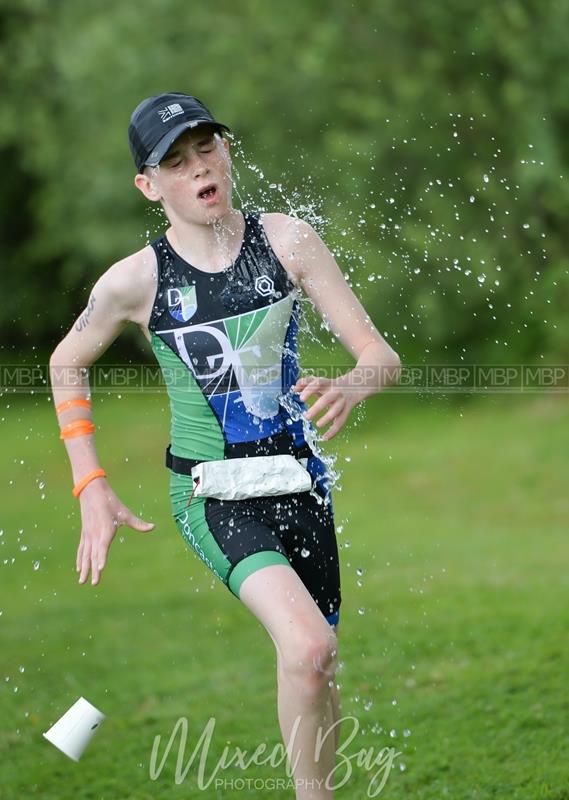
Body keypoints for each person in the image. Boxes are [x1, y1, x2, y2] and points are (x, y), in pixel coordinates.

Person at [49, 92, 401, 799]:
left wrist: (357, 384)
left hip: (301, 480)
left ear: (225, 151)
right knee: (308, 646)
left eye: (205, 148)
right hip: (210, 493)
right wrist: (92, 487)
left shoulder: (288, 241)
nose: (198, 168)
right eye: (175, 163)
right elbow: (66, 364)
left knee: (316, 663)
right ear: (150, 187)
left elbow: (379, 355)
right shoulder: (134, 281)